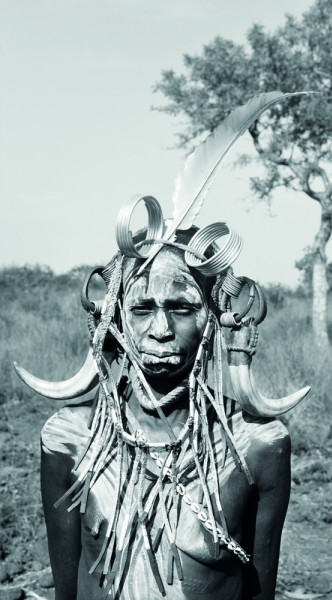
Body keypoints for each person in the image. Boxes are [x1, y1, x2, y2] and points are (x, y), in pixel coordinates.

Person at [14, 92, 310, 600]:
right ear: (114, 321)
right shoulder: (67, 441)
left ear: (213, 321)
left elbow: (260, 588)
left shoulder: (257, 447)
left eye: (181, 307)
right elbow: (67, 587)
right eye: (142, 309)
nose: (160, 330)